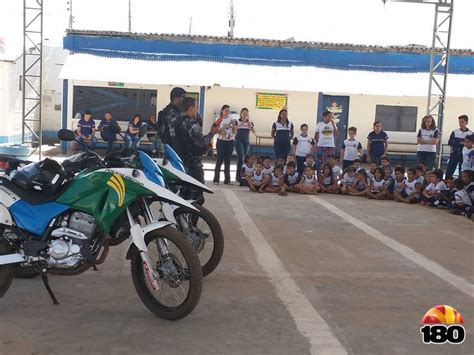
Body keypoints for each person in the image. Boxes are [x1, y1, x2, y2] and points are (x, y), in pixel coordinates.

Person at [181, 97, 208, 203]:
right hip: (193, 164)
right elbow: (202, 142)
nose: (197, 110)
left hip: (181, 163)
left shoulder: (178, 120)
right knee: (197, 197)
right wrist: (212, 133)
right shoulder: (191, 123)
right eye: (196, 107)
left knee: (184, 195)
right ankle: (190, 220)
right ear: (191, 108)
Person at [157, 87, 187, 156]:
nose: (184, 100)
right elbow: (174, 136)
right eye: (183, 97)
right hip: (173, 152)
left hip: (172, 151)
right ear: (176, 98)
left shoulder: (175, 111)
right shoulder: (171, 112)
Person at [213, 105, 236, 185]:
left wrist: (233, 125)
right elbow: (214, 130)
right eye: (226, 110)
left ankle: (227, 180)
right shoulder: (219, 119)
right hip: (221, 141)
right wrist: (224, 127)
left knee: (228, 161)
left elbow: (234, 132)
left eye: (228, 111)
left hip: (230, 141)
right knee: (219, 160)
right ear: (222, 111)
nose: (227, 112)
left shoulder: (231, 119)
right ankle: (216, 180)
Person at [235, 108, 256, 182]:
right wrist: (240, 124)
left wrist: (251, 126)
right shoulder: (237, 121)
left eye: (246, 113)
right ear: (241, 114)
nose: (245, 114)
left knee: (245, 159)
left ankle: (244, 175)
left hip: (246, 141)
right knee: (240, 158)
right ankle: (238, 176)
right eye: (243, 113)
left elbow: (254, 132)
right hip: (238, 141)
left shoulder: (250, 121)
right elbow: (234, 130)